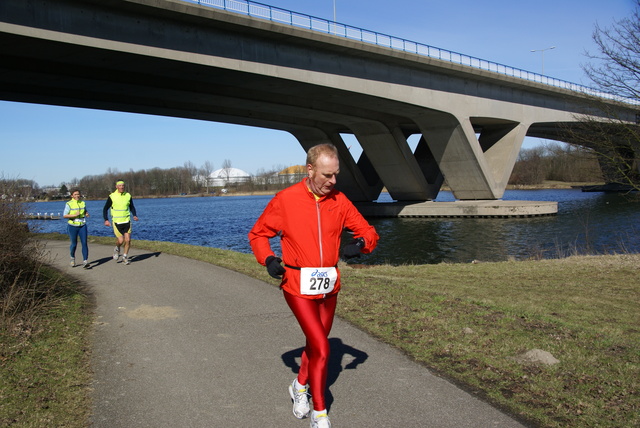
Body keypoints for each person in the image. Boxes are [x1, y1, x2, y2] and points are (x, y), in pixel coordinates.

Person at [248, 143, 379, 428]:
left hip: (329, 286)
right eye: (326, 175)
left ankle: (298, 385)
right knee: (322, 347)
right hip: (297, 285)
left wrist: (360, 244)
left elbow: (368, 231)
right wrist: (268, 258)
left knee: (315, 344)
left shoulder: (339, 200)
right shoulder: (286, 199)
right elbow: (258, 234)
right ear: (310, 170)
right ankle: (320, 412)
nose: (332, 181)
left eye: (336, 175)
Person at [103, 180, 139, 265]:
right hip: (116, 222)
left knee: (128, 240)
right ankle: (117, 248)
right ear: (116, 187)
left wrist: (134, 215)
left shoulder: (128, 195)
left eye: (123, 185)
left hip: (126, 220)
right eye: (120, 186)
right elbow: (105, 209)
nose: (122, 187)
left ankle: (125, 257)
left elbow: (132, 207)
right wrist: (106, 219)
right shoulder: (112, 196)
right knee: (121, 240)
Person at [63, 188, 90, 268]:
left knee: (84, 243)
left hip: (82, 225)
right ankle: (72, 258)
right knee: (74, 244)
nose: (77, 196)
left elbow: (85, 210)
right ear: (72, 195)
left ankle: (85, 261)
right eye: (75, 194)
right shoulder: (69, 204)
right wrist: (74, 215)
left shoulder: (83, 203)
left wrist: (86, 213)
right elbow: (65, 215)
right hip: (72, 226)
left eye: (78, 194)